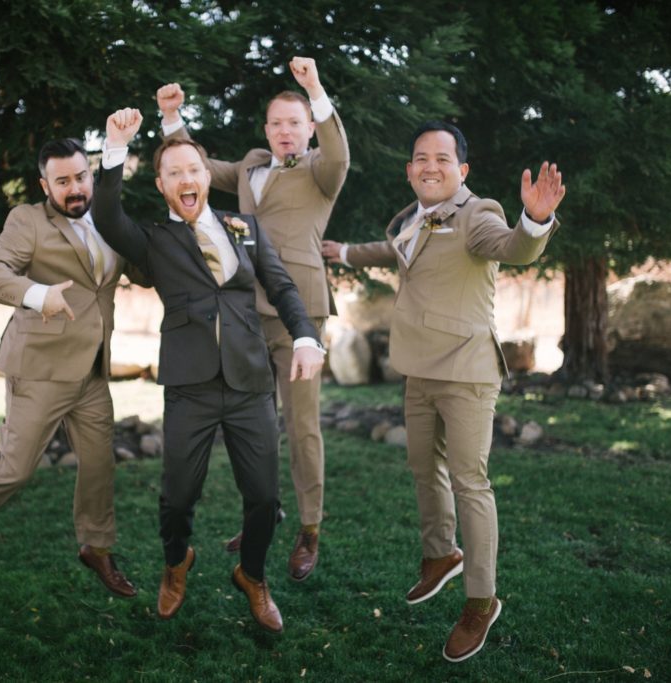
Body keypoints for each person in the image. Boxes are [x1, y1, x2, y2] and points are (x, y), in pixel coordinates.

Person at [321, 121, 565, 662]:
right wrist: (343, 252)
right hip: (420, 369)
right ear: (410, 169)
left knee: (469, 481)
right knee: (420, 466)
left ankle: (480, 599)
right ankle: (439, 555)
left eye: (441, 158)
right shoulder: (414, 218)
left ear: (463, 170)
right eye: (420, 158)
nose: (430, 166)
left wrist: (536, 218)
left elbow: (514, 248)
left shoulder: (478, 213)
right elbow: (392, 253)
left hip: (467, 372)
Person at [91, 107, 325, 633]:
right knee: (177, 499)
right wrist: (112, 148)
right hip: (190, 387)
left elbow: (283, 288)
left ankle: (254, 576)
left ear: (205, 176)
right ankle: (176, 564)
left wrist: (306, 335)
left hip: (250, 384)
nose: (186, 179)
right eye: (173, 173)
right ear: (162, 185)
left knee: (264, 497)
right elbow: (106, 217)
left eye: (193, 169)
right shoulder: (152, 241)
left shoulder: (245, 228)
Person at [157, 56, 349, 581]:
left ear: (309, 128)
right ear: (266, 129)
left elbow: (338, 150)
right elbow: (196, 166)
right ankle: (266, 514)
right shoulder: (248, 166)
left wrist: (314, 87)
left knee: (301, 424)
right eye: (277, 123)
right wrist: (173, 119)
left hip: (298, 314)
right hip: (243, 314)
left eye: (296, 122)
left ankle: (309, 528)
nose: (286, 131)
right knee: (255, 424)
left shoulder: (321, 170)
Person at [0, 138, 144, 598]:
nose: (74, 189)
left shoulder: (109, 219)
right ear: (44, 184)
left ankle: (96, 547)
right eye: (62, 181)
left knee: (98, 464)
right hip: (39, 369)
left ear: (92, 176)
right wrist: (37, 294)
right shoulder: (28, 220)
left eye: (81, 177)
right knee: (14, 470)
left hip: (91, 370)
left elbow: (142, 266)